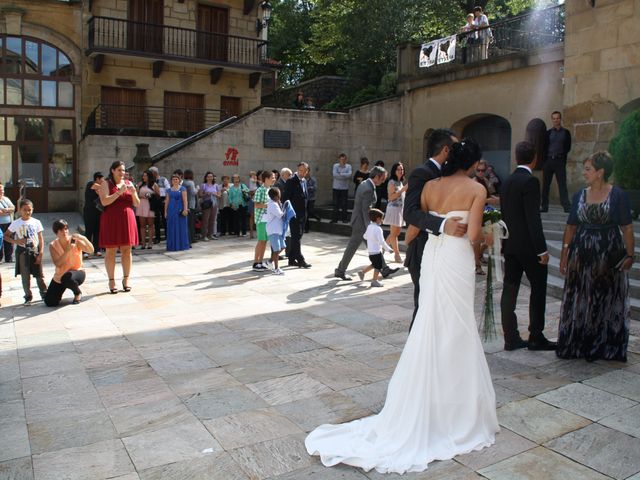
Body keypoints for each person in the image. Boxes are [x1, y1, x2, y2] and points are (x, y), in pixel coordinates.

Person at [306, 139, 499, 474]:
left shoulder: (430, 187)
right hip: (456, 258)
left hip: (434, 257)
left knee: (430, 320)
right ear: (472, 164)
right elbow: (473, 237)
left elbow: (413, 227)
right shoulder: (476, 189)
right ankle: (456, 410)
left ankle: (426, 401)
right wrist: (492, 237)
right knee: (457, 326)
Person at [557, 152, 633, 362]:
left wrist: (630, 254)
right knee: (581, 297)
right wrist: (564, 253)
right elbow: (571, 226)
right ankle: (580, 343)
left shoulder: (618, 195)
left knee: (606, 297)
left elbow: (626, 227)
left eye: (588, 169)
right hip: (581, 253)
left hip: (608, 253)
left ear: (600, 172)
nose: (584, 173)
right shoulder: (579, 195)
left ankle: (605, 345)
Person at [403, 129, 467, 327]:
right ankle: (414, 357)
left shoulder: (450, 175)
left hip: (444, 252)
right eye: (455, 147)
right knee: (423, 306)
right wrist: (442, 224)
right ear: (446, 150)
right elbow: (410, 213)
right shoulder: (422, 173)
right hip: (423, 249)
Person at [500, 141, 556, 351]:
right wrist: (541, 250)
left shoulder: (507, 182)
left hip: (511, 246)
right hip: (529, 248)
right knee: (538, 288)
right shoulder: (530, 182)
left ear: (516, 158)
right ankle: (535, 336)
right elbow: (533, 219)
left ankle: (510, 337)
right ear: (534, 158)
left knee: (510, 288)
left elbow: (505, 217)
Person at [334, 166, 398, 281]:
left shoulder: (365, 184)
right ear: (377, 177)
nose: (383, 181)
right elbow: (366, 210)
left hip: (360, 222)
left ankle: (384, 268)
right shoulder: (368, 188)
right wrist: (370, 227)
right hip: (362, 224)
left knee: (372, 247)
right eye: (383, 179)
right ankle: (340, 270)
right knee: (355, 247)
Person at [99, 160, 140, 294]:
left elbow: (137, 204)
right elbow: (104, 201)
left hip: (127, 219)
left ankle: (126, 279)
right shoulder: (105, 183)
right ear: (112, 170)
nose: (122, 173)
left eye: (123, 170)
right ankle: (111, 280)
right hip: (111, 219)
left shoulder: (129, 183)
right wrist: (118, 192)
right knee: (110, 250)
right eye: (119, 170)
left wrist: (133, 193)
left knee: (127, 250)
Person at [6, 199, 47, 305]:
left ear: (32, 209)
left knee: (39, 274)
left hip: (34, 250)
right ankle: (28, 296)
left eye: (29, 210)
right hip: (22, 252)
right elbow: (6, 236)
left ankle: (44, 293)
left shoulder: (36, 222)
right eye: (25, 210)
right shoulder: (16, 223)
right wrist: (16, 241)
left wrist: (41, 252)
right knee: (25, 276)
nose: (27, 212)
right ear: (20, 210)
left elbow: (40, 238)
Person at [44, 219, 93, 306]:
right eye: (61, 230)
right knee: (50, 302)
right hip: (60, 275)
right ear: (56, 232)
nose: (64, 232)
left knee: (67, 278)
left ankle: (77, 293)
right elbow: (58, 264)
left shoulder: (74, 240)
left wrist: (84, 238)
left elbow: (91, 250)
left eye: (66, 229)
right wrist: (67, 251)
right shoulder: (53, 245)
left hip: (77, 272)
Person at [541, 111, 572, 213]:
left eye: (557, 118)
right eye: (554, 118)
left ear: (560, 119)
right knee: (546, 185)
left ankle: (566, 206)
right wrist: (544, 161)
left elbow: (568, 146)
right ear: (552, 120)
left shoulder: (566, 133)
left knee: (562, 184)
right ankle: (544, 206)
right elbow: (544, 147)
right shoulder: (548, 133)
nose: (556, 120)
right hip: (549, 160)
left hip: (559, 161)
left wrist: (562, 156)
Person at [473, 159, 500, 274]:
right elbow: (473, 199)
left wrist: (495, 199)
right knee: (477, 239)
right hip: (476, 211)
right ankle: (477, 264)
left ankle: (479, 254)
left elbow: (492, 194)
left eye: (482, 170)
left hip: (487, 210)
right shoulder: (473, 182)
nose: (480, 172)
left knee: (493, 236)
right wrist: (490, 200)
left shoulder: (485, 180)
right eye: (478, 170)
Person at [283, 162, 311, 268]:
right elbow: (286, 198)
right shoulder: (291, 181)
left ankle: (291, 259)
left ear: (307, 171)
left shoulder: (304, 181)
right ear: (297, 169)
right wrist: (289, 213)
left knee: (298, 236)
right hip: (294, 214)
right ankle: (300, 259)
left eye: (304, 171)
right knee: (296, 237)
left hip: (303, 214)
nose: (301, 173)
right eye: (300, 170)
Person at [358, 209, 393, 287]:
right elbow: (382, 241)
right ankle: (374, 280)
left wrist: (371, 238)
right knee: (378, 266)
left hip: (370, 251)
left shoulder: (369, 227)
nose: (382, 220)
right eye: (381, 218)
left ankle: (362, 272)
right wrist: (388, 249)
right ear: (378, 219)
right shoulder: (378, 229)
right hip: (376, 251)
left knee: (374, 264)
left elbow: (365, 236)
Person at [383, 162, 408, 263]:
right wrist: (403, 190)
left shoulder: (401, 182)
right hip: (393, 209)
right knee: (394, 234)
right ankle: (397, 255)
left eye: (402, 169)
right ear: (394, 171)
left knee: (396, 233)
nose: (401, 171)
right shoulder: (391, 182)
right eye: (398, 169)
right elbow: (391, 197)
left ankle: (382, 247)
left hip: (400, 210)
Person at [252, 170, 275, 271]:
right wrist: (268, 205)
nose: (274, 179)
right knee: (261, 241)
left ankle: (260, 262)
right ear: (266, 179)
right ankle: (255, 263)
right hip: (261, 219)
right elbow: (256, 205)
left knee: (264, 241)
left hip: (268, 220)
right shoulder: (260, 190)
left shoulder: (269, 189)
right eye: (272, 177)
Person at [165, 173, 190, 251]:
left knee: (181, 227)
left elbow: (185, 201)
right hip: (171, 210)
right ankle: (172, 246)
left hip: (180, 210)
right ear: (171, 181)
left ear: (179, 180)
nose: (175, 180)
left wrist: (185, 209)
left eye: (176, 179)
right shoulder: (169, 190)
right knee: (171, 227)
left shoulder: (182, 189)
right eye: (173, 179)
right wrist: (165, 212)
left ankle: (182, 245)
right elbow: (166, 202)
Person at [265, 187, 287, 275]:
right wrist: (285, 208)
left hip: (278, 230)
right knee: (277, 249)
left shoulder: (275, 203)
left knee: (282, 247)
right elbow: (281, 215)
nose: (280, 195)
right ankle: (276, 268)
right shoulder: (273, 205)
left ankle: (269, 262)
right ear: (276, 196)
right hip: (273, 230)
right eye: (279, 194)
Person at [136, 170, 156, 250]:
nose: (144, 177)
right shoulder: (140, 184)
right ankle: (143, 243)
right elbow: (136, 195)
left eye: (145, 176)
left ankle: (150, 242)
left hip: (150, 206)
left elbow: (158, 195)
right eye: (143, 176)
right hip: (141, 205)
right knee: (142, 225)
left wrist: (151, 195)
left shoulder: (154, 185)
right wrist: (141, 196)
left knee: (151, 225)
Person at [149, 166, 169, 243]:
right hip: (154, 201)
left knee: (164, 219)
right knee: (156, 220)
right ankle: (157, 238)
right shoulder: (151, 181)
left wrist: (166, 200)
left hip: (163, 200)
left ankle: (167, 236)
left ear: (155, 173)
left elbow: (168, 189)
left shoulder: (163, 179)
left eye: (151, 173)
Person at [198, 172, 220, 240]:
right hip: (206, 204)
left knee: (212, 220)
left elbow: (219, 195)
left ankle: (210, 235)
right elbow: (200, 195)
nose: (210, 178)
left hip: (214, 204)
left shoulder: (216, 185)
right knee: (205, 220)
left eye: (211, 176)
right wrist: (206, 193)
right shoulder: (203, 185)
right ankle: (204, 235)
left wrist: (215, 194)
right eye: (209, 176)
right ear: (206, 178)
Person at [331, 153, 352, 223]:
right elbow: (335, 175)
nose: (342, 161)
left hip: (344, 188)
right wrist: (344, 176)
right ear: (339, 159)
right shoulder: (335, 166)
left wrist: (340, 174)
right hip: (336, 187)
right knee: (335, 204)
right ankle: (335, 219)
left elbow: (349, 175)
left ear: (346, 160)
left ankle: (344, 219)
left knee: (344, 204)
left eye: (344, 159)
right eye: (341, 159)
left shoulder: (349, 166)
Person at [0, 184, 16, 262]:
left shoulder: (5, 199)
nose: (2, 192)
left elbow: (13, 208)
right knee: (0, 241)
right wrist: (7, 211)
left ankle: (8, 258)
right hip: (0, 224)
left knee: (9, 241)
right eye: (0, 190)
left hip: (9, 223)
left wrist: (4, 210)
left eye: (2, 190)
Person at [183, 169, 198, 244]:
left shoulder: (183, 182)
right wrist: (197, 188)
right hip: (191, 204)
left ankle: (188, 237)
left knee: (187, 223)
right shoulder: (191, 183)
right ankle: (192, 238)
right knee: (191, 223)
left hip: (185, 204)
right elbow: (193, 192)